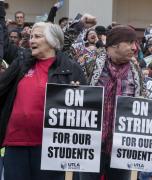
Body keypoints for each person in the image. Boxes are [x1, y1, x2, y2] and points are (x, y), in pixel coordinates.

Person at [0, 1, 97, 180]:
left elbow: (85, 114)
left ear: (52, 41)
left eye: (37, 37)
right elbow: (4, 46)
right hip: (15, 144)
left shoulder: (70, 68)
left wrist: (77, 97)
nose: (32, 40)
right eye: (31, 37)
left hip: (50, 148)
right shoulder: (22, 61)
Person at [75, 25, 144, 180]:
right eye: (130, 43)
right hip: (91, 146)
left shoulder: (136, 71)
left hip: (122, 149)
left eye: (136, 43)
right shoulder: (89, 63)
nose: (135, 48)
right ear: (114, 44)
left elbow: (142, 101)